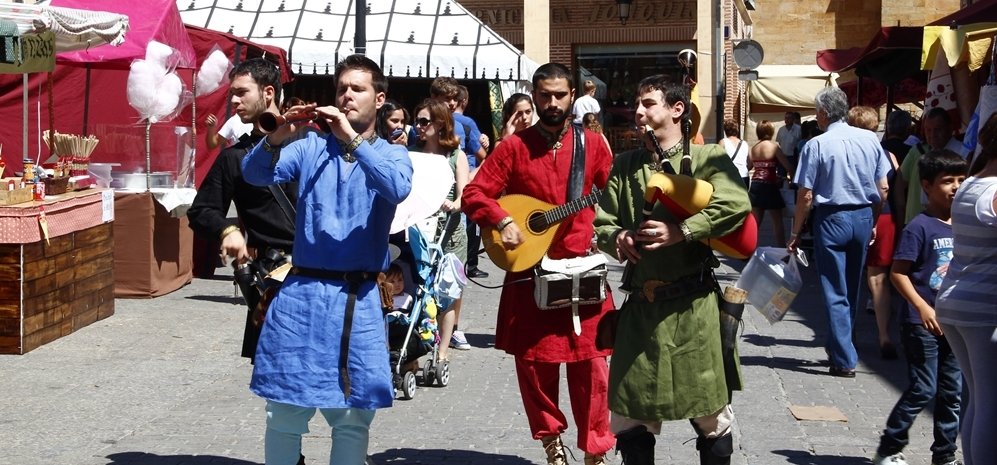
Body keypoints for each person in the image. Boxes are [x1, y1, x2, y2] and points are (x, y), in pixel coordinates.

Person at [241, 54, 412, 465]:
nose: (347, 95)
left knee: (352, 417)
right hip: (303, 297)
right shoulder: (310, 147)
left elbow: (396, 188)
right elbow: (253, 174)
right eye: (341, 89)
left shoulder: (393, 154)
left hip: (359, 298)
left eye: (358, 88)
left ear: (379, 97)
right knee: (282, 412)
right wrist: (276, 136)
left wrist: (351, 138)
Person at [461, 62, 615, 465]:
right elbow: (475, 194)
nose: (552, 103)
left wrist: (613, 228)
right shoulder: (513, 148)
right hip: (531, 272)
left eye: (560, 95)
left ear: (572, 96)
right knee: (534, 366)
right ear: (534, 95)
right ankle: (552, 443)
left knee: (594, 367)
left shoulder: (593, 145)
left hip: (582, 271)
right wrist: (502, 220)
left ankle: (595, 450)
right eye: (544, 95)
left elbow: (612, 194)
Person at [593, 74, 751, 465]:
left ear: (677, 109)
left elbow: (736, 205)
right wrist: (619, 238)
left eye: (649, 103)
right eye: (638, 104)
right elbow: (603, 223)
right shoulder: (626, 164)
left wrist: (683, 230)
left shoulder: (707, 159)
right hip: (642, 313)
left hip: (693, 310)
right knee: (630, 417)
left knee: (711, 416)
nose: (639, 111)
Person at [187, 58, 298, 361]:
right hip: (272, 281)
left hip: (319, 276)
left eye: (241, 92)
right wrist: (228, 228)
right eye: (231, 94)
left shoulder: (308, 141)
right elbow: (201, 211)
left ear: (269, 93)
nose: (233, 101)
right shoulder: (234, 158)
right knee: (279, 391)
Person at [788, 87, 891, 378]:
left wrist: (795, 231)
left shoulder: (816, 145)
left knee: (835, 289)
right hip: (861, 215)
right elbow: (883, 187)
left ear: (822, 113)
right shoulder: (871, 139)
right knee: (852, 286)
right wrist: (872, 221)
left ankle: (844, 358)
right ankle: (844, 344)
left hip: (831, 218)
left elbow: (805, 195)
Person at [872, 149, 965, 465]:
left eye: (961, 180)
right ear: (926, 185)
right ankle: (890, 447)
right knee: (924, 388)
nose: (955, 187)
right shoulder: (920, 226)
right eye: (947, 181)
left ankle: (945, 455)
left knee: (952, 393)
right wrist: (922, 308)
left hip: (954, 323)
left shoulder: (964, 225)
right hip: (920, 322)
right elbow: (898, 273)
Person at [935, 112, 997, 465]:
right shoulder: (993, 189)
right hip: (984, 306)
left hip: (958, 299)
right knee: (991, 400)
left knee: (980, 397)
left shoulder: (971, 184)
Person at [412, 98, 471, 358]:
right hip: (420, 229)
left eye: (424, 121)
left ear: (439, 123)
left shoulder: (455, 154)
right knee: (417, 289)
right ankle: (416, 346)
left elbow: (465, 192)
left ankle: (443, 352)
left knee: (447, 291)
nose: (418, 126)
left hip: (450, 231)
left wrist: (455, 203)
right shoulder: (412, 151)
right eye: (416, 121)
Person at [848, 106, 901, 360]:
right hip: (888, 216)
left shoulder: (849, 153)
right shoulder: (889, 155)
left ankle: (849, 333)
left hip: (859, 214)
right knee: (880, 280)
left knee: (849, 278)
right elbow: (895, 192)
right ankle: (884, 335)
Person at [896, 108, 969, 226]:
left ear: (950, 128)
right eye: (928, 130)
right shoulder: (925, 152)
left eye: (937, 130)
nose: (932, 135)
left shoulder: (962, 153)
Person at [748, 120, 792, 246]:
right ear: (771, 132)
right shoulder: (774, 147)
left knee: (755, 222)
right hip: (769, 185)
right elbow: (788, 166)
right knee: (777, 221)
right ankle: (782, 250)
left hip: (756, 185)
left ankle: (748, 249)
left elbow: (749, 166)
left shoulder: (753, 149)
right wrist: (791, 179)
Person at [721, 118, 750, 188]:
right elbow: (750, 162)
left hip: (729, 177)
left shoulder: (723, 142)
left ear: (725, 130)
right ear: (737, 129)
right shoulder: (745, 143)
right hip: (744, 176)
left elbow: (718, 160)